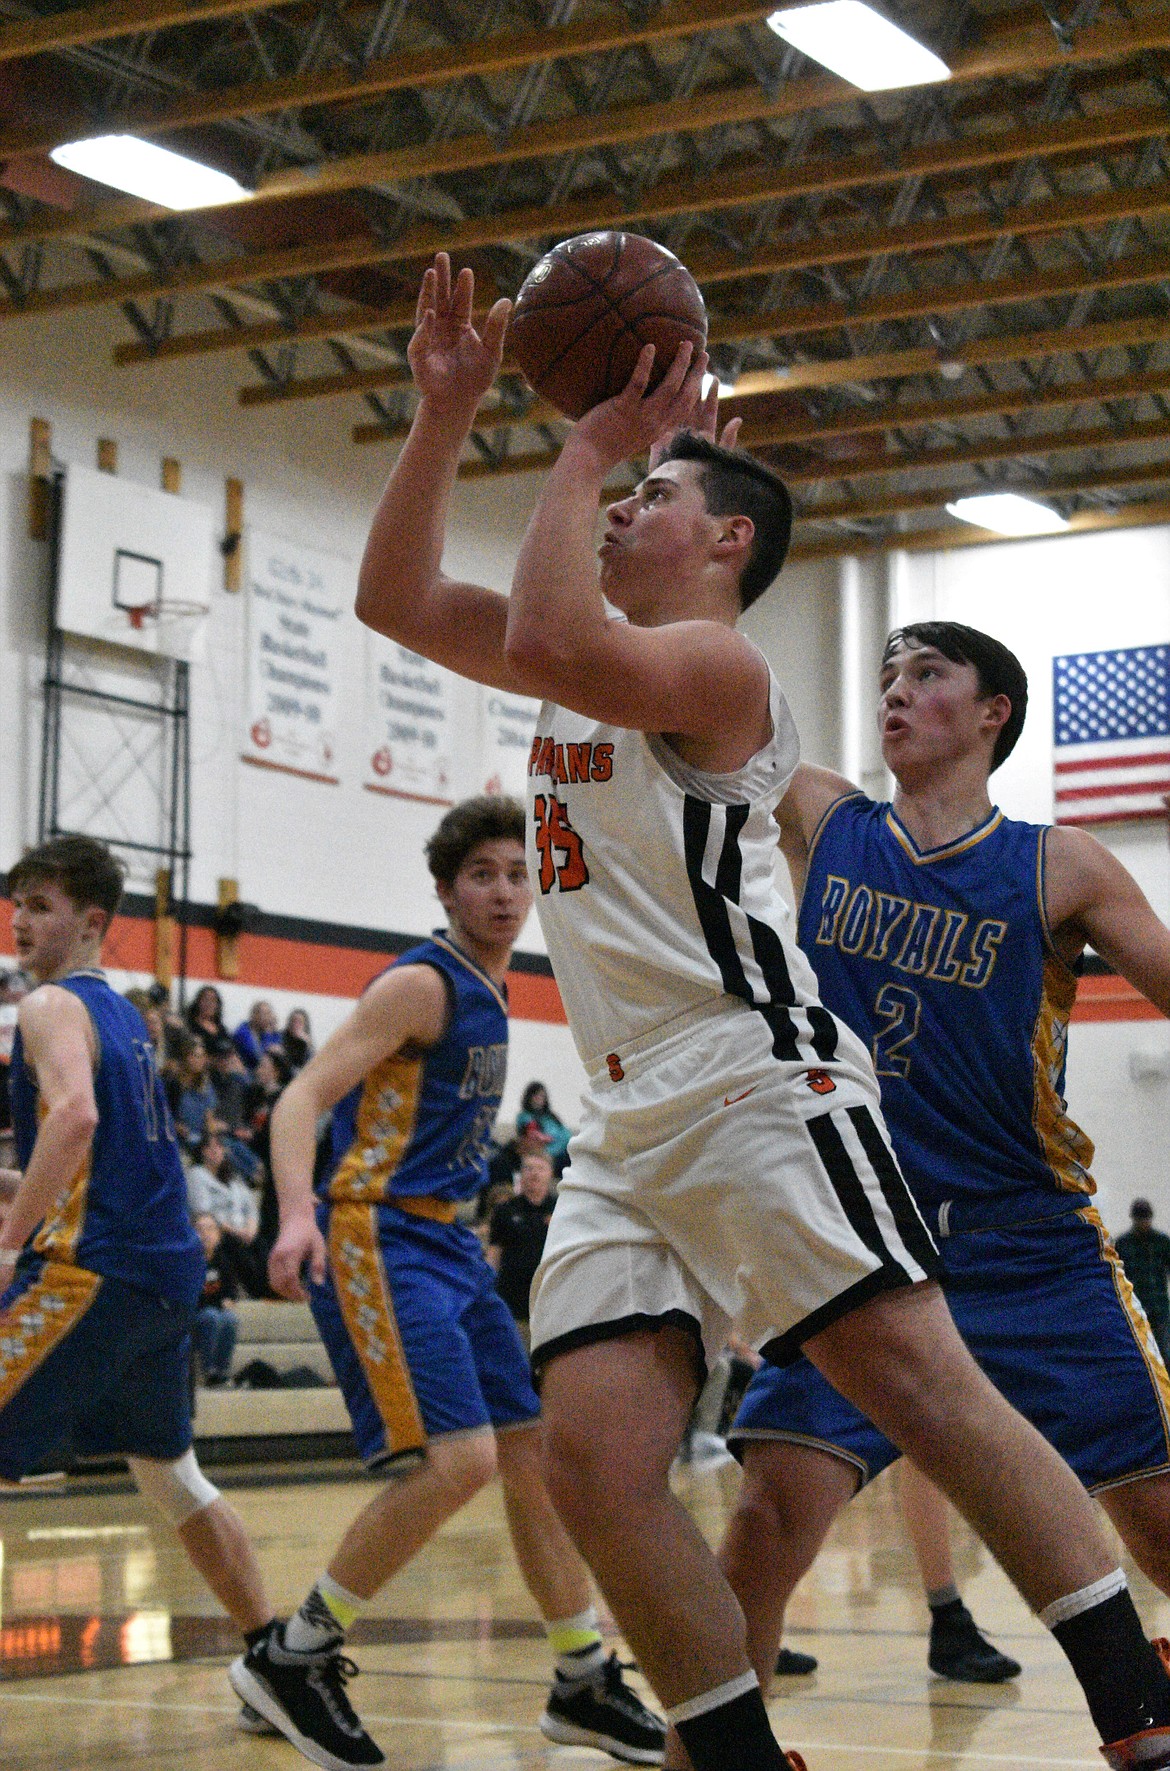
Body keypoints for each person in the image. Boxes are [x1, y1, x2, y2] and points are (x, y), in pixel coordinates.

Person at [349, 249, 1170, 1771]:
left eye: (649, 499)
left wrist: (593, 434)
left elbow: (541, 633)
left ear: (726, 538)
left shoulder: (719, 670)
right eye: (614, 494)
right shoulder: (577, 669)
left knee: (920, 1385)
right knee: (597, 1462)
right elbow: (391, 593)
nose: (615, 508)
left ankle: (1137, 1714)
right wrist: (446, 412)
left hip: (753, 1080)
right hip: (625, 1116)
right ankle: (728, 1753)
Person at [707, 622, 1170, 1763]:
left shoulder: (1064, 863)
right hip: (860, 1236)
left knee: (1160, 1520)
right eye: (887, 678)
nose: (896, 696)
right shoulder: (825, 817)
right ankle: (724, 1754)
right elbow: (708, 712)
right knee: (768, 1521)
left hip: (1029, 1243)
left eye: (927, 677)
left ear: (993, 711)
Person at [232, 797, 665, 1771]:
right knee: (460, 1461)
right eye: (482, 875)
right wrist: (296, 1213)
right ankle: (296, 1653)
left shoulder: (493, 985)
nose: (504, 890)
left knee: (529, 1453)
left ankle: (581, 1674)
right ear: (446, 888)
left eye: (517, 872)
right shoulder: (422, 984)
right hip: (378, 1232)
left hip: (449, 1246)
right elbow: (303, 1095)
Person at [0, 836, 312, 1739]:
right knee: (172, 1475)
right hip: (165, 1275)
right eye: (17, 902)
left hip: (97, 1266)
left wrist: (12, 1240)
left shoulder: (50, 1002)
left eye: (42, 905)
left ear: (93, 921)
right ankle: (272, 1661)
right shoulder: (132, 1017)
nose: (20, 919)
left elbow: (76, 1117)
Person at [488, 1147, 557, 1332]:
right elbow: (494, 1252)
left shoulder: (563, 1210)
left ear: (551, 1174)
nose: (534, 1174)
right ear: (520, 1174)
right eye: (529, 1168)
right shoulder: (505, 1210)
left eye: (540, 1169)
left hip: (551, 1302)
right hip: (511, 1300)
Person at [1117, 1199, 1170, 1365]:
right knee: (1137, 1351)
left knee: (1163, 1352)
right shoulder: (1123, 1244)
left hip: (1159, 1307)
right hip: (1135, 1307)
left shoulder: (1162, 1242)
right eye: (1140, 1219)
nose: (1143, 1223)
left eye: (1146, 1219)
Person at [193, 1212, 238, 1385]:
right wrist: (220, 1301)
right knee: (210, 1315)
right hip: (195, 1316)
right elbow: (195, 1298)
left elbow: (230, 1291)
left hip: (216, 1313)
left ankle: (222, 1370)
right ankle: (209, 1370)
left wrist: (229, 1300)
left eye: (210, 1229)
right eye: (200, 1229)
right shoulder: (189, 1261)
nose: (205, 1233)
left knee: (230, 1319)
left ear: (218, 1235)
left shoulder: (223, 1260)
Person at [516, 1080, 572, 1173]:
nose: (539, 1099)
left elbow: (566, 1134)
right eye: (536, 1096)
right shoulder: (525, 1117)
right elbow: (534, 1138)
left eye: (542, 1096)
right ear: (529, 1097)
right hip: (543, 1156)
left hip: (564, 1152)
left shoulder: (551, 1116)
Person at [234, 999, 283, 1072]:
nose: (268, 1018)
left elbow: (280, 1051)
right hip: (247, 1071)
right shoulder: (243, 1032)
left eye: (269, 1014)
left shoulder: (267, 1032)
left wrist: (272, 1030)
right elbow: (257, 1056)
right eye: (264, 1014)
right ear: (253, 1015)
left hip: (264, 1072)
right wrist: (268, 1034)